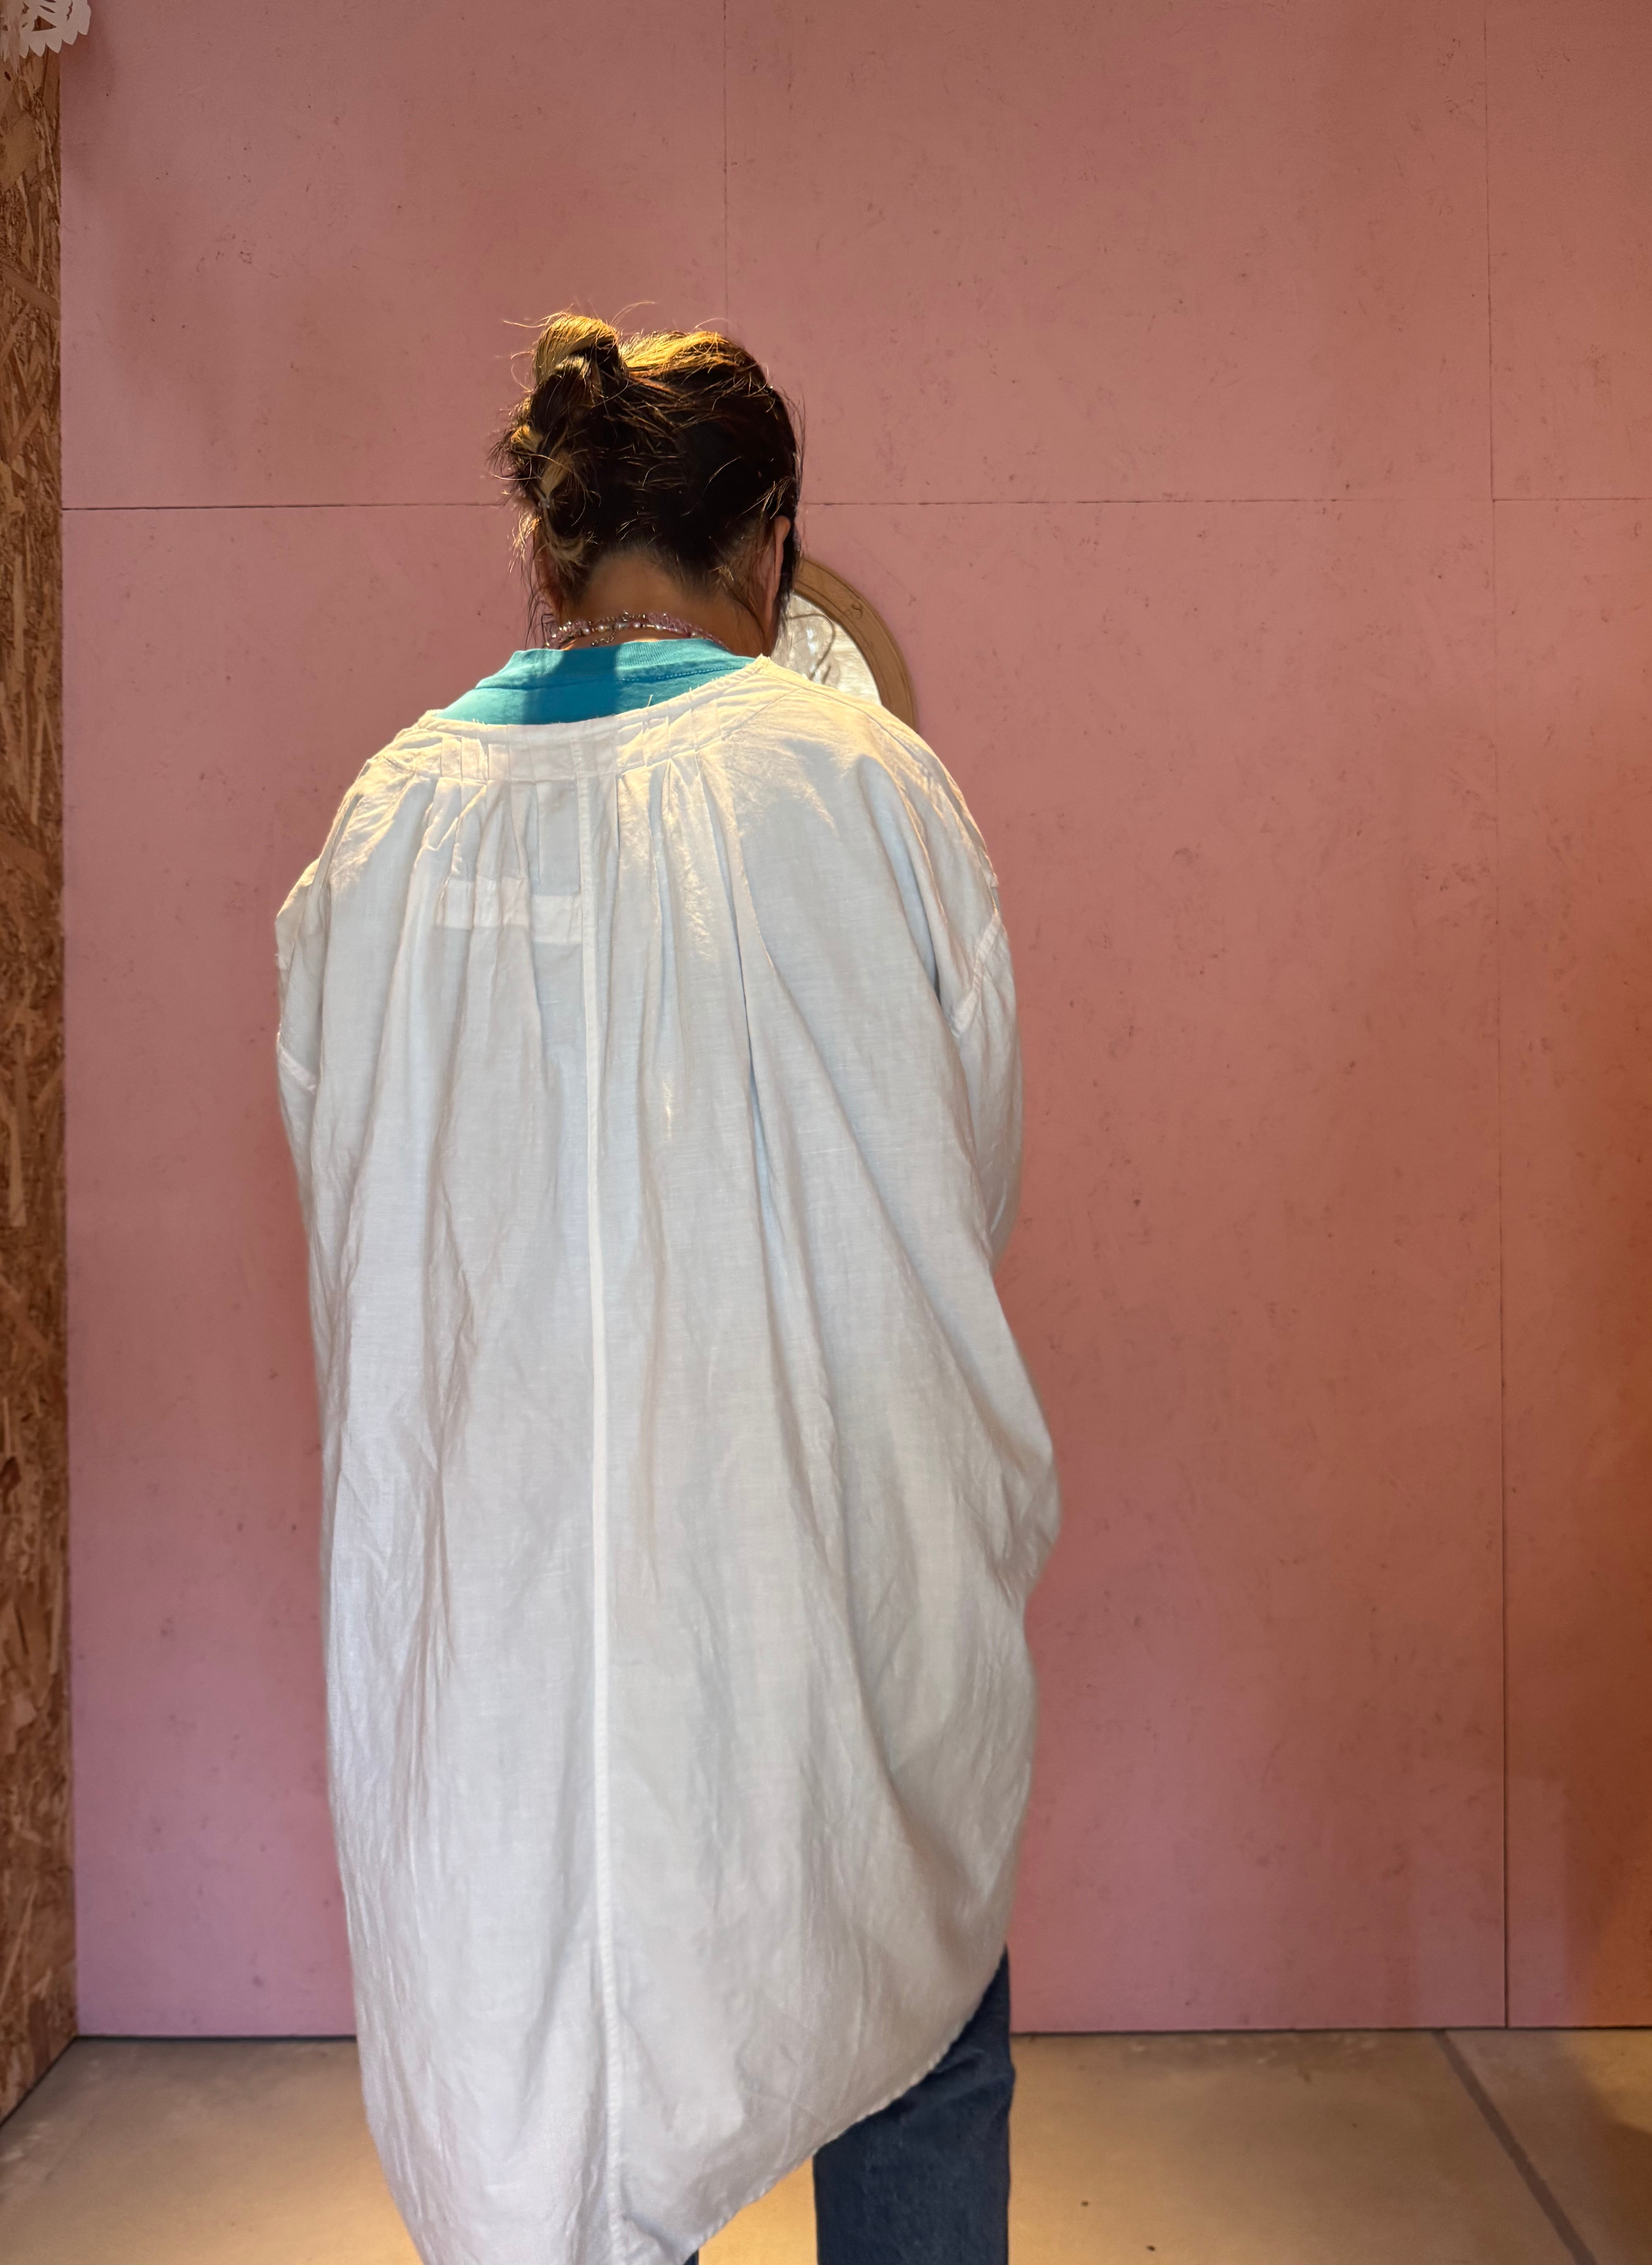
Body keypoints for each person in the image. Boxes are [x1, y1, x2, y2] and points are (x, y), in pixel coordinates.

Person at [275, 316, 1059, 2265]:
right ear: (769, 543)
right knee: (915, 2023)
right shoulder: (868, 788)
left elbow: (355, 1209)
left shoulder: (386, 828)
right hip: (816, 1591)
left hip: (503, 1637)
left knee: (554, 2087)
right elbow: (970, 1174)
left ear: (552, 554)